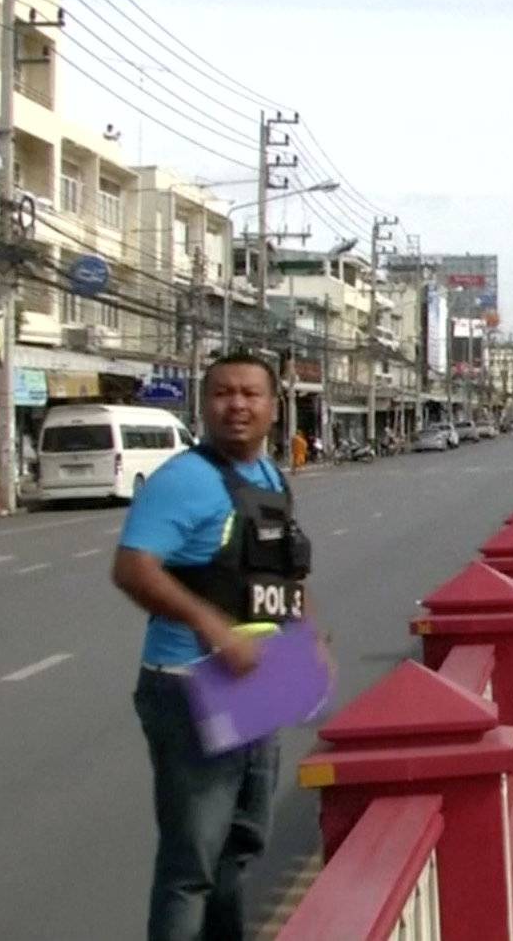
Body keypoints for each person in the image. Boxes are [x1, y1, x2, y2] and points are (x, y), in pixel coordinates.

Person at [112, 354, 318, 941]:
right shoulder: (186, 480)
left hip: (259, 682)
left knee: (240, 849)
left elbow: (283, 577)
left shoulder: (272, 479)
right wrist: (214, 627)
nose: (238, 405)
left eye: (251, 394)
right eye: (224, 394)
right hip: (189, 683)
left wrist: (305, 641)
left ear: (274, 408)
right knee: (192, 866)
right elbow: (132, 569)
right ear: (204, 405)